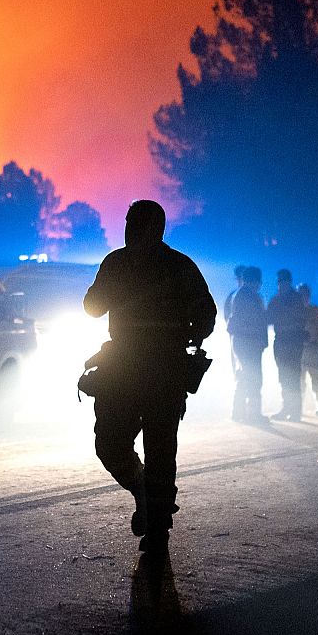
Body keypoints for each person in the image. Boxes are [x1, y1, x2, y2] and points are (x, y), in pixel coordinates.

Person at [83, 200, 217, 556]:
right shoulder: (136, 263)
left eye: (133, 223)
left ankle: (158, 524)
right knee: (112, 443)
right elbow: (94, 306)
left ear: (151, 227)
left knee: (158, 449)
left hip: (152, 370)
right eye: (128, 222)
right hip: (139, 369)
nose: (127, 229)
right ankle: (145, 493)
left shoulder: (168, 265)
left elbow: (205, 313)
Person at [224, 265, 269, 424]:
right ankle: (254, 414)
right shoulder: (249, 296)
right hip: (249, 343)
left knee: (243, 376)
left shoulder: (239, 295)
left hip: (243, 342)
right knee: (253, 378)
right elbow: (256, 321)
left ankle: (239, 412)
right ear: (255, 281)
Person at [267, 269, 307, 421]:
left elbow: (269, 319)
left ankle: (294, 411)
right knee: (285, 376)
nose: (280, 284)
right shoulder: (289, 299)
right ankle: (290, 409)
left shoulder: (282, 299)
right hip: (286, 340)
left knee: (291, 376)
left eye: (281, 281)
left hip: (289, 340)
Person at [297, 283, 318, 416]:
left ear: (308, 296)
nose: (302, 297)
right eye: (300, 295)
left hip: (313, 350)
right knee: (299, 381)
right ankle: (298, 407)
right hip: (299, 350)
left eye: (304, 294)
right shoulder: (295, 312)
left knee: (317, 380)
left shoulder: (316, 311)